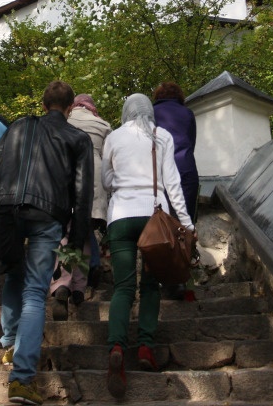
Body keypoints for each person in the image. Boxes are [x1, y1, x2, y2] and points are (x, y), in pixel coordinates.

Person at [0, 80, 94, 405]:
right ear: (71, 106)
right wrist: (75, 244)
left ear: (44, 103)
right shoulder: (78, 138)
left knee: (12, 273)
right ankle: (21, 380)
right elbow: (82, 193)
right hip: (48, 214)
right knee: (35, 291)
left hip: (5, 209)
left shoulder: (17, 127)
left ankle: (9, 344)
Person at [101, 93, 195, 399]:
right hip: (154, 216)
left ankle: (116, 345)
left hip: (121, 217)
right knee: (151, 285)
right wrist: (187, 223)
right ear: (149, 112)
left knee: (123, 287)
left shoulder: (113, 137)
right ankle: (145, 345)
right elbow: (173, 183)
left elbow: (106, 181)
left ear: (126, 111)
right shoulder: (162, 136)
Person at [48, 93, 112, 319]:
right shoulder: (103, 124)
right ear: (91, 106)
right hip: (94, 183)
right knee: (84, 234)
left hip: (68, 179)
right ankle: (78, 287)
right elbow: (109, 160)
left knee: (65, 234)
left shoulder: (66, 119)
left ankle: (62, 283)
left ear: (73, 105)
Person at [152, 81, 200, 300]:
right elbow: (191, 142)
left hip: (161, 174)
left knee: (162, 227)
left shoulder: (152, 113)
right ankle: (180, 280)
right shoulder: (188, 114)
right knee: (182, 226)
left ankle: (163, 280)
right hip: (186, 172)